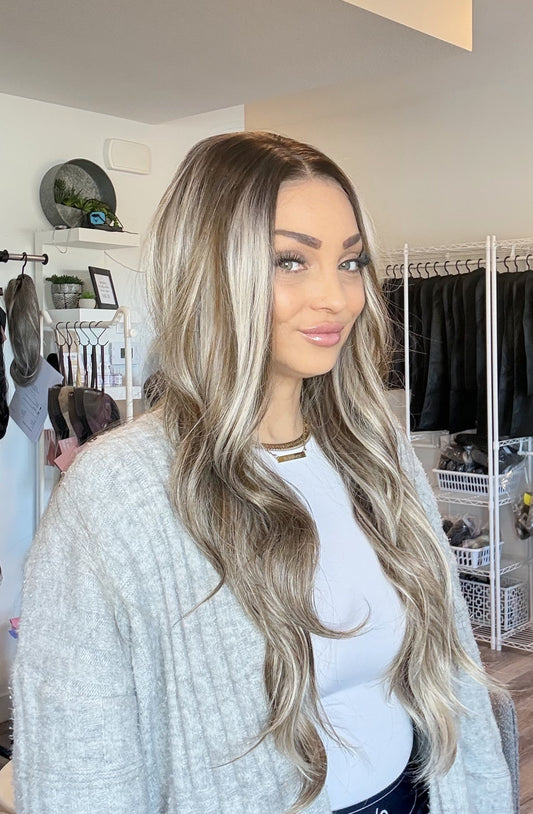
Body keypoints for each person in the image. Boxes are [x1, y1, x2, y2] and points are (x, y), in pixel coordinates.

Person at [12, 132, 514, 814]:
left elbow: (449, 668)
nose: (336, 298)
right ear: (210, 270)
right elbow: (80, 768)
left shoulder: (376, 452)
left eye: (349, 262)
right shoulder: (119, 493)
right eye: (289, 261)